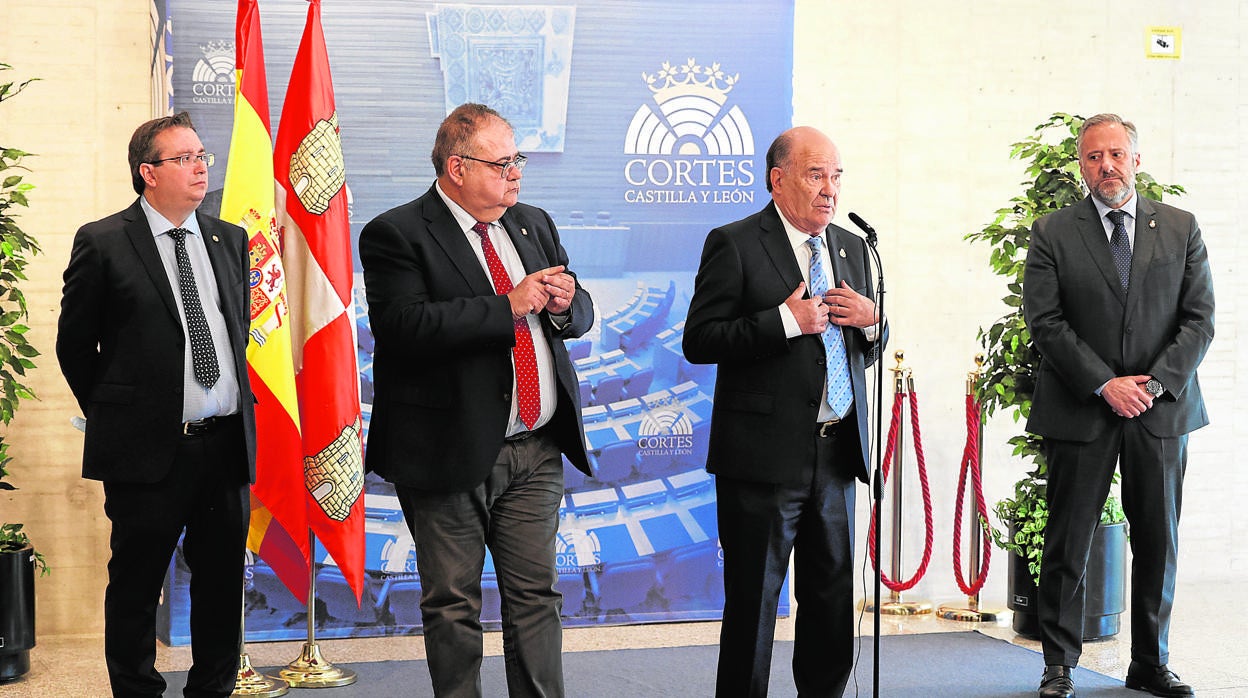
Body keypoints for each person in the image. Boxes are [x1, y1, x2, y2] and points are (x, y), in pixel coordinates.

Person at [359, 103, 594, 697]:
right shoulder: (397, 233)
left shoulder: (532, 223)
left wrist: (566, 303)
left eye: (518, 160)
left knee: (536, 598)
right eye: (502, 163)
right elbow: (404, 328)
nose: (516, 173)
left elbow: (579, 312)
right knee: (453, 604)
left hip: (535, 448)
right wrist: (508, 306)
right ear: (457, 167)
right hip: (446, 450)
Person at [56, 112, 256, 697]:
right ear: (148, 173)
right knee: (137, 586)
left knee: (221, 586)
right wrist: (122, 413)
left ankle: (213, 689)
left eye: (203, 156)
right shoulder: (104, 240)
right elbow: (75, 346)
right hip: (146, 450)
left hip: (222, 445)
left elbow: (232, 331)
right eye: (185, 158)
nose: (200, 167)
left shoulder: (228, 239)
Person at [683, 125, 886, 697]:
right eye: (816, 175)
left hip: (838, 451)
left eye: (836, 176)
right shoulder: (736, 242)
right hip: (762, 461)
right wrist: (783, 322)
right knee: (754, 606)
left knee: (830, 601)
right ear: (779, 179)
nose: (830, 190)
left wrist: (872, 321)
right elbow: (701, 339)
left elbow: (863, 343)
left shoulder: (851, 247)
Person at [1023, 113, 1214, 698]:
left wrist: (1151, 385)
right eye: (1092, 157)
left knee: (1158, 540)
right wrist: (1106, 384)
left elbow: (1199, 320)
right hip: (1081, 408)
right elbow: (1046, 323)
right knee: (1067, 539)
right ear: (1081, 165)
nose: (1104, 166)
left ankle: (1150, 663)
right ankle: (1059, 664)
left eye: (1114, 154)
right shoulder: (1053, 231)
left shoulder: (1180, 227)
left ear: (1137, 158)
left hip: (1161, 411)